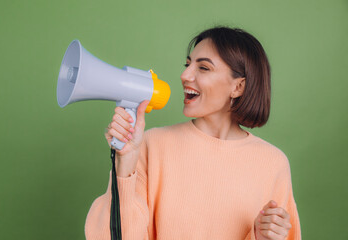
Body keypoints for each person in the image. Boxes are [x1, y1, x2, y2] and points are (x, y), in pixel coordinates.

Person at [85, 26, 301, 240]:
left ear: (238, 87)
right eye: (187, 65)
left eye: (203, 68)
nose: (184, 75)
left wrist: (260, 237)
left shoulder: (273, 164)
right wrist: (125, 165)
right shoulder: (152, 144)